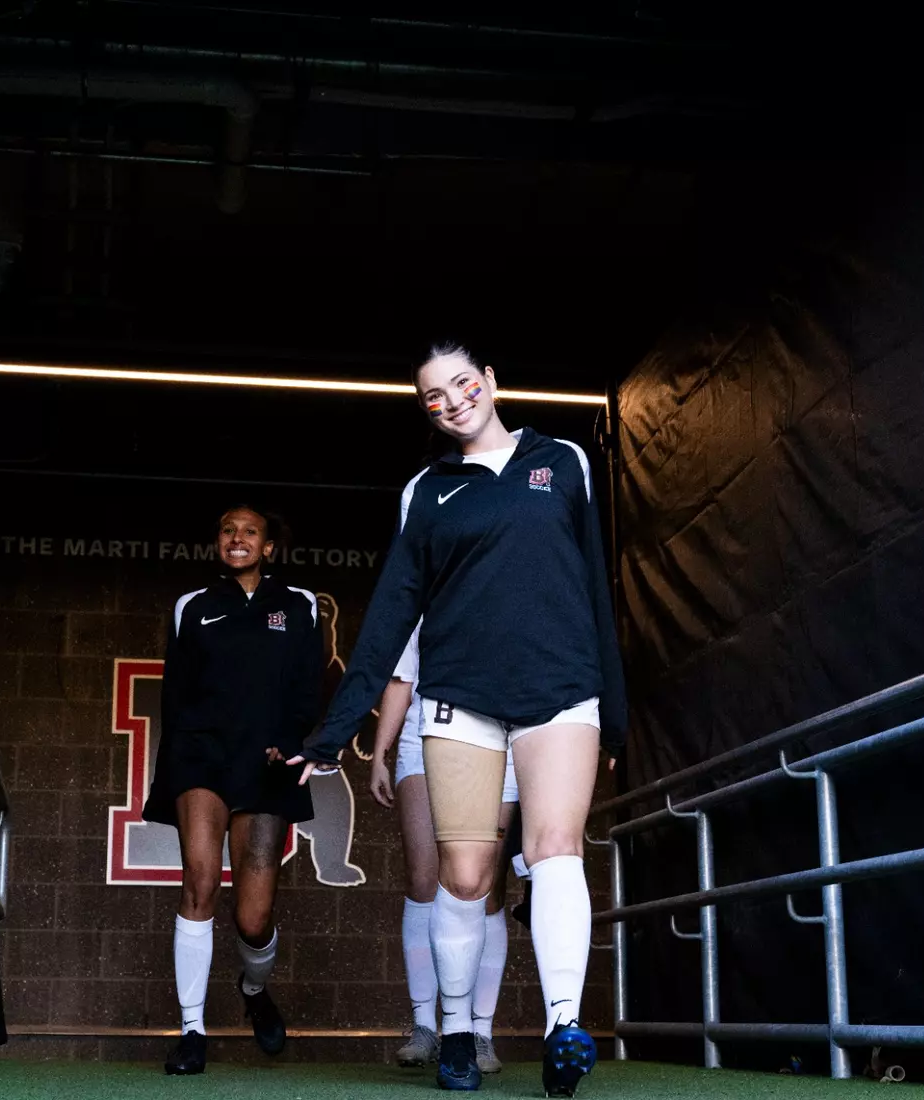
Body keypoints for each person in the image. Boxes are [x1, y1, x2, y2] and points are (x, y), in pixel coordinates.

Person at [290, 344, 626, 1096]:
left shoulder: (563, 460)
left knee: (554, 847)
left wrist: (618, 714)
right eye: (434, 397)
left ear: (493, 381)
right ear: (428, 412)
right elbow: (389, 615)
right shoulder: (426, 491)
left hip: (560, 690)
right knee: (466, 876)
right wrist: (335, 729)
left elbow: (596, 589)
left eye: (463, 384)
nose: (453, 401)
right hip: (460, 701)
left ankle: (562, 1027)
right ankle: (456, 1032)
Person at [142, 506, 324, 1076]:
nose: (236, 538)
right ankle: (192, 1030)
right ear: (216, 543)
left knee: (252, 918)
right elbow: (174, 696)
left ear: (270, 546)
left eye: (250, 531)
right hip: (200, 758)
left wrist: (289, 741)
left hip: (266, 764)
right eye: (227, 530)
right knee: (199, 881)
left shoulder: (300, 604)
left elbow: (307, 685)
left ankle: (253, 987)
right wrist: (172, 766)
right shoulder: (191, 606)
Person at [369, 621, 522, 1073]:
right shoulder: (428, 598)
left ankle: (480, 1031)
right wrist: (380, 752)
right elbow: (402, 679)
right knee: (423, 880)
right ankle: (425, 1026)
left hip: (505, 737)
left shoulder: (519, 587)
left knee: (483, 886)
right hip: (426, 734)